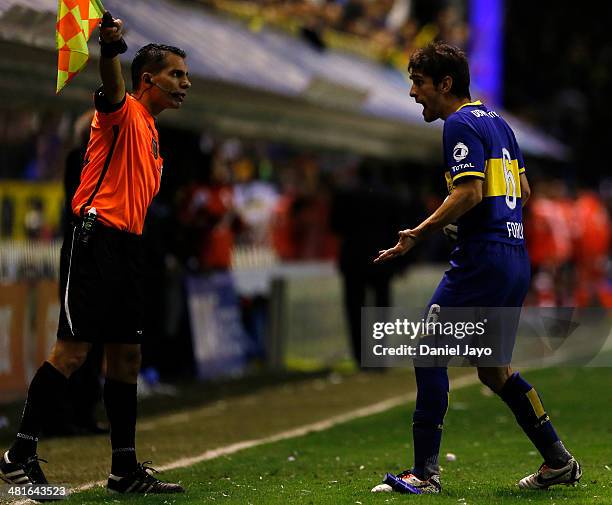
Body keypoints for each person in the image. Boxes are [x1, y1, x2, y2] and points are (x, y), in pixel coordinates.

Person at [371, 42, 581, 494]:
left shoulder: (459, 123)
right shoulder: (498, 123)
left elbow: (468, 192)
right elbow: (521, 191)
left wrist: (420, 232)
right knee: (494, 370)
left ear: (445, 85)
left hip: (483, 259)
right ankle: (558, 461)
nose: (412, 92)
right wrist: (486, 222)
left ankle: (424, 473)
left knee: (429, 351)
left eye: (419, 82)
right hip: (513, 256)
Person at [0, 13, 190, 494]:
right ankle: (16, 454)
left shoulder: (151, 131)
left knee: (127, 358)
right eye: (177, 75)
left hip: (128, 248)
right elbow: (110, 85)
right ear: (147, 80)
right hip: (95, 241)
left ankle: (123, 471)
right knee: (72, 352)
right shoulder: (121, 111)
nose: (185, 84)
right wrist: (111, 47)